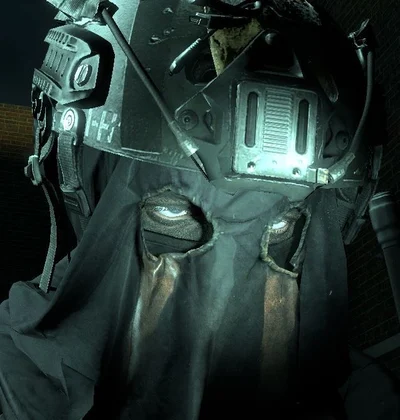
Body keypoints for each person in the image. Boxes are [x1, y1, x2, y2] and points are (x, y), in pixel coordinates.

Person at [0, 0, 399, 418]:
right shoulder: (18, 390)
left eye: (281, 228)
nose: (224, 287)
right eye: (171, 219)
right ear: (94, 202)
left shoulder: (362, 402)